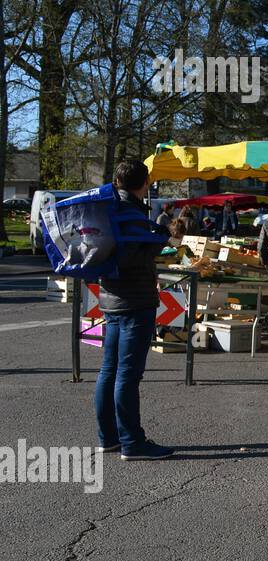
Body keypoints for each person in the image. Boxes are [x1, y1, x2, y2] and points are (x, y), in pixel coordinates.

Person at [95, 160, 173, 460]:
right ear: (145, 184)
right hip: (135, 300)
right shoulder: (132, 213)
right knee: (127, 373)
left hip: (111, 297)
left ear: (116, 181)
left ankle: (109, 437)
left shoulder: (110, 209)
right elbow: (131, 257)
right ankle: (132, 442)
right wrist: (159, 241)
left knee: (109, 370)